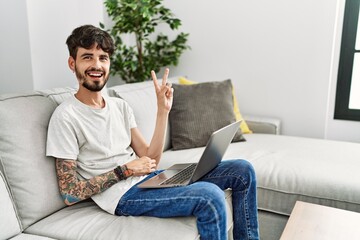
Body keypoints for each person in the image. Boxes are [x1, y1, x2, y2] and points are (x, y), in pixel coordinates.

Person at [46, 24, 259, 240]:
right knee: (210, 196)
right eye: (88, 57)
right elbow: (70, 192)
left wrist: (162, 111)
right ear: (72, 63)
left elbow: (151, 159)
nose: (97, 65)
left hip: (150, 178)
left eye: (103, 58)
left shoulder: (119, 107)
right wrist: (125, 171)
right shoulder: (66, 117)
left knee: (242, 171)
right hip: (122, 196)